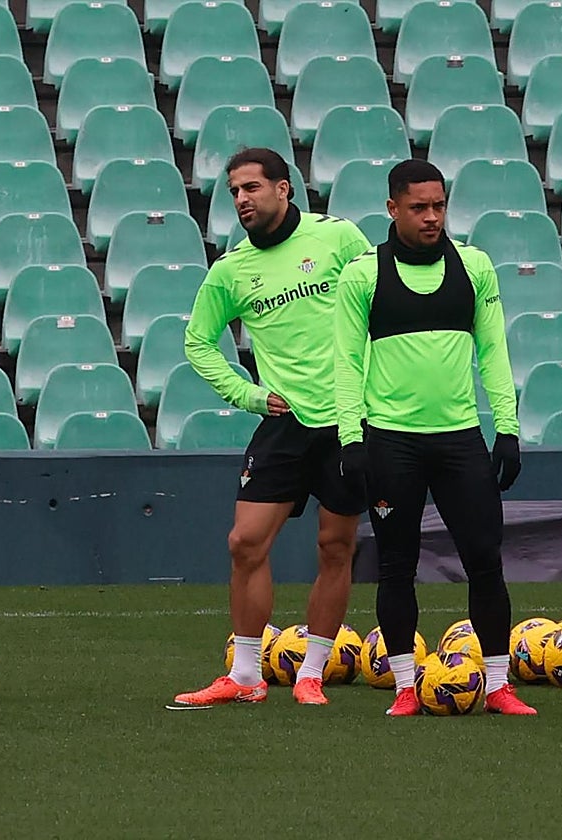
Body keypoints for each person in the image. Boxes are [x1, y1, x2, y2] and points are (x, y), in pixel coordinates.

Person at [333, 159, 536, 716]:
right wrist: (352, 438)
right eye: (419, 207)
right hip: (391, 442)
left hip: (460, 442)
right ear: (392, 208)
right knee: (397, 565)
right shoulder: (362, 274)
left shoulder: (475, 267)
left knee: (485, 561)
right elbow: (346, 362)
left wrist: (509, 430)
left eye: (439, 206)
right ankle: (404, 687)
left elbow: (494, 352)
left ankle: (497, 685)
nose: (431, 217)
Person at [173, 148, 372, 707]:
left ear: (284, 189)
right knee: (244, 544)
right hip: (283, 424)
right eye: (234, 191)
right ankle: (244, 675)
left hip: (347, 421)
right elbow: (197, 341)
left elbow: (381, 308)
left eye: (252, 188)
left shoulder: (338, 239)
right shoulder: (231, 270)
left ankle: (311, 672)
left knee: (336, 546)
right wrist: (249, 395)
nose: (241, 200)